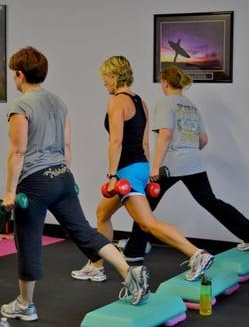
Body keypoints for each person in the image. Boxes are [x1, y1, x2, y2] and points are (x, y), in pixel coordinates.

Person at [0, 47, 150, 322]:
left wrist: (10, 191)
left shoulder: (20, 106)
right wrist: (64, 174)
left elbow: (18, 151)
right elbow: (67, 145)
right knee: (85, 233)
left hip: (34, 182)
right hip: (63, 177)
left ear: (19, 75)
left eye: (14, 74)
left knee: (29, 240)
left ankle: (25, 304)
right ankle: (130, 273)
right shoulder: (58, 101)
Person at [71, 56, 214, 283]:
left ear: (113, 76)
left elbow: (116, 141)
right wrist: (147, 172)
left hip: (126, 171)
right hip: (140, 167)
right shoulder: (141, 102)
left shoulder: (117, 101)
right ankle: (96, 265)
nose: (104, 83)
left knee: (148, 223)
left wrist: (112, 175)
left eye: (105, 78)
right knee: (102, 213)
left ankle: (197, 254)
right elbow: (145, 144)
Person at [117, 65, 249, 263]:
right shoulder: (190, 105)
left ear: (165, 82)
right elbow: (203, 140)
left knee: (144, 205)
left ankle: (135, 251)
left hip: (170, 166)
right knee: (211, 201)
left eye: (161, 81)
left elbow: (166, 135)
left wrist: (155, 166)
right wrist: (189, 153)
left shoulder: (166, 103)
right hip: (194, 164)